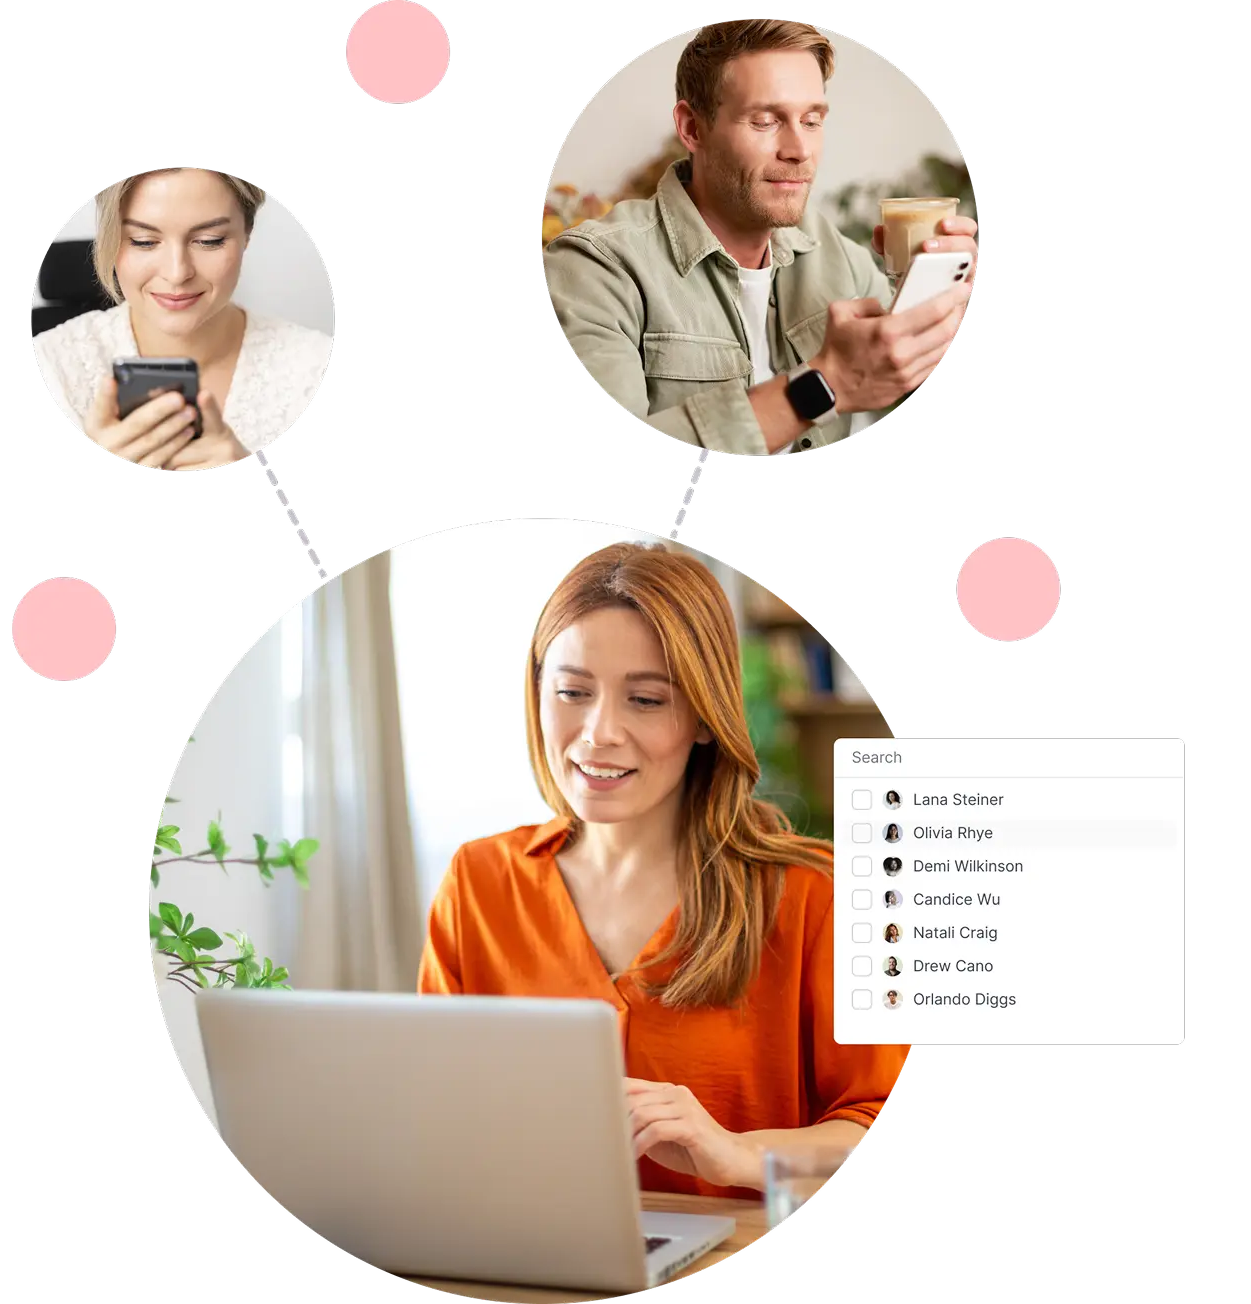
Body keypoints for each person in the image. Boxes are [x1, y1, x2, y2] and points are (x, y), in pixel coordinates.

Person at [418, 542, 910, 1199]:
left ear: (705, 716)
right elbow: (442, 1107)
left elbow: (870, 1115)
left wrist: (738, 1154)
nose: (598, 733)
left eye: (647, 700)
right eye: (572, 692)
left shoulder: (819, 895)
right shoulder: (477, 881)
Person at [543, 18, 978, 457]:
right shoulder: (595, 268)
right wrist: (826, 383)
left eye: (812, 120)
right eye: (766, 121)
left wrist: (939, 297)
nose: (799, 150)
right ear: (692, 128)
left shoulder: (832, 251)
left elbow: (899, 361)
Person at [32, 166, 333, 470]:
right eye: (143, 241)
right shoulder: (51, 364)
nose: (177, 274)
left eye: (210, 240)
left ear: (247, 234)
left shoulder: (314, 367)